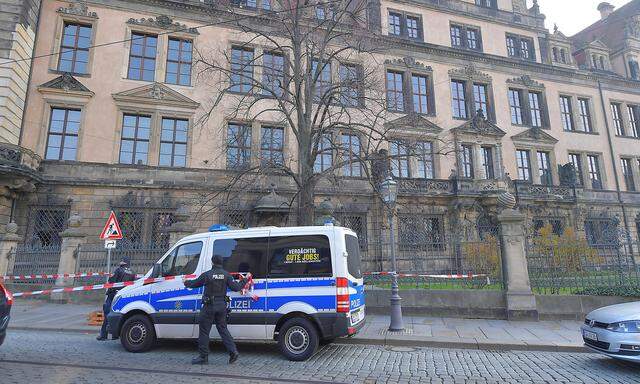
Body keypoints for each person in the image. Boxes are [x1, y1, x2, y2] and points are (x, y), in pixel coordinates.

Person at [184, 254, 250, 365]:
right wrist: (245, 280)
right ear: (221, 263)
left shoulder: (207, 275)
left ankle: (203, 357)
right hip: (222, 306)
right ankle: (233, 351)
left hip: (209, 306)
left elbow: (194, 283)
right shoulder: (227, 275)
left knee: (204, 331)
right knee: (223, 329)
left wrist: (185, 282)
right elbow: (236, 288)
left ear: (212, 262)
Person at [97, 256, 136, 341]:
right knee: (117, 314)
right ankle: (115, 336)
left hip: (113, 295)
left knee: (108, 314)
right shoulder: (133, 272)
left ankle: (103, 335)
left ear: (122, 263)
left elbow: (112, 282)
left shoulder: (118, 270)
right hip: (124, 296)